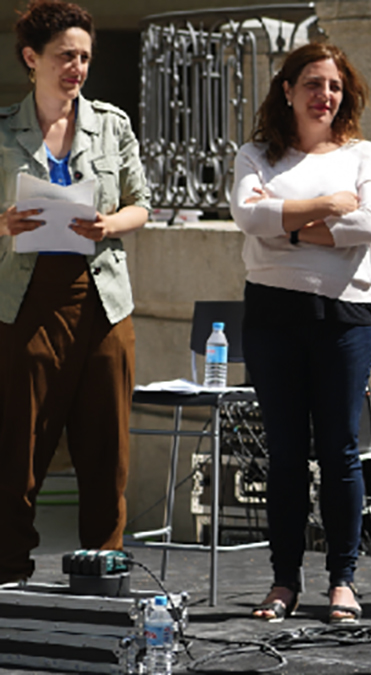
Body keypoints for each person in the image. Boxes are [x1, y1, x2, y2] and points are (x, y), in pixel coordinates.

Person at [230, 42, 371, 624]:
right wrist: (325, 207)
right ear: (288, 90)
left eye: (336, 87)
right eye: (314, 84)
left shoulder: (364, 154)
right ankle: (284, 581)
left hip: (343, 317)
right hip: (273, 315)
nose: (326, 96)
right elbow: (249, 217)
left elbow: (370, 224)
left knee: (341, 452)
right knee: (286, 455)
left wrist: (288, 224)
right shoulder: (256, 155)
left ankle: (342, 580)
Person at [0, 0, 150, 586]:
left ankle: (102, 577)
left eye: (85, 56)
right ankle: (9, 575)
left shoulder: (111, 125)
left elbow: (141, 203)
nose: (78, 67)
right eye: (66, 56)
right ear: (32, 58)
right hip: (25, 299)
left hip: (102, 301)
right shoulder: (3, 128)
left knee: (106, 449)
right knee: (19, 446)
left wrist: (110, 225)